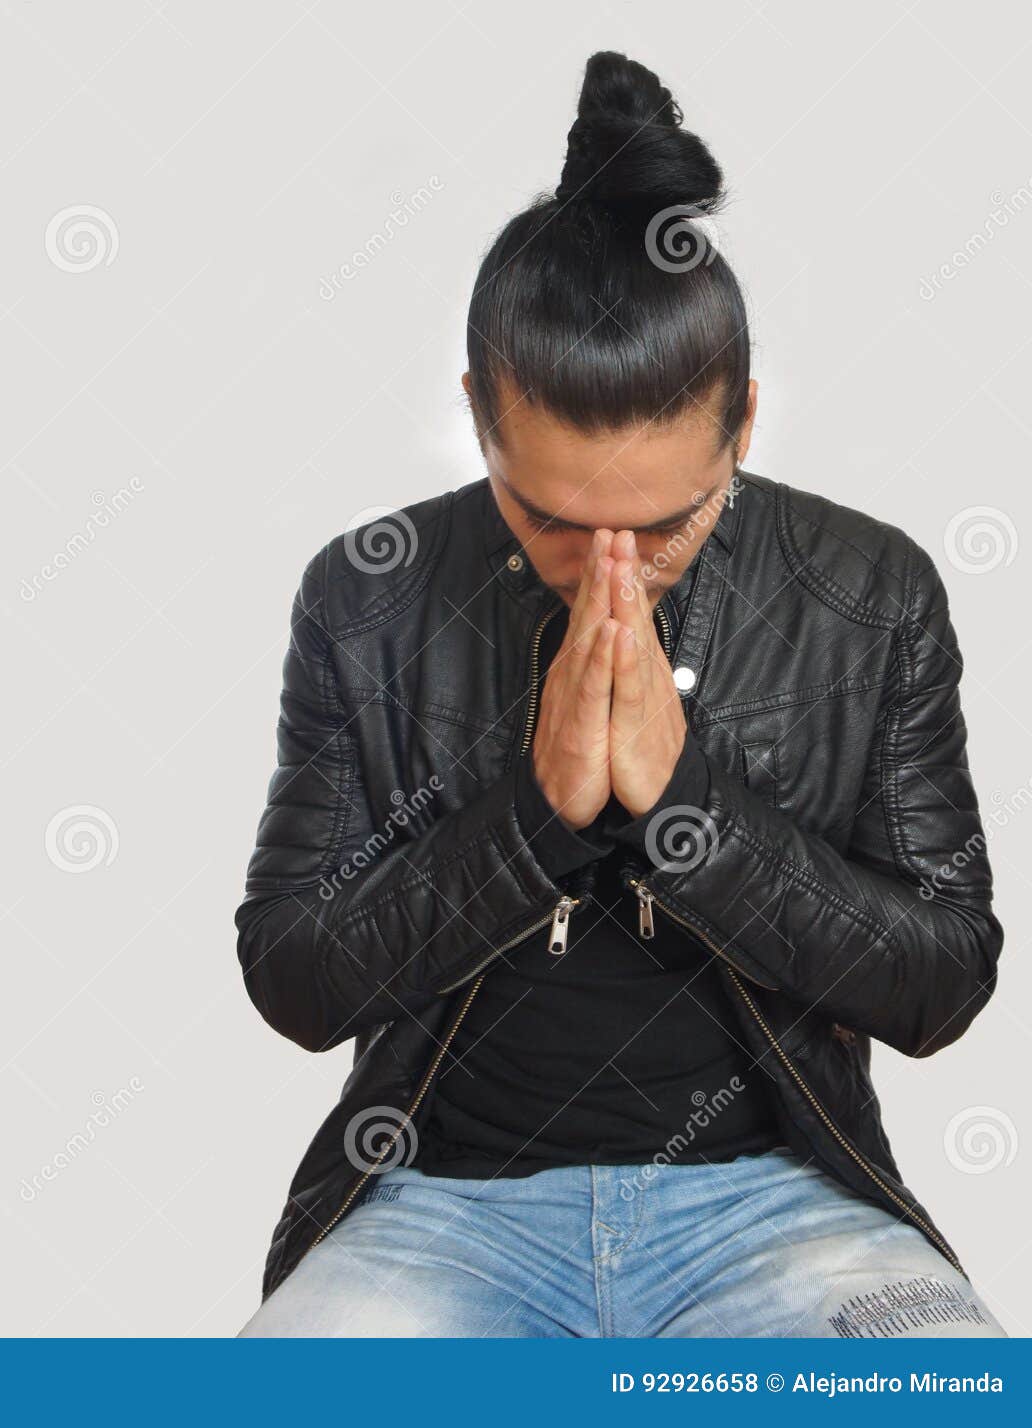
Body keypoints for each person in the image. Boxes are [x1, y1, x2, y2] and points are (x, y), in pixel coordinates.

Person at [233, 51, 1005, 1338]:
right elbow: (294, 980)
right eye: (546, 519)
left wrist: (686, 808)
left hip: (773, 1202)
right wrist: (536, 818)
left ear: (743, 425)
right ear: (478, 417)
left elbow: (944, 982)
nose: (611, 573)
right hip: (437, 1206)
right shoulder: (364, 596)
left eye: (664, 524)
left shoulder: (870, 593)